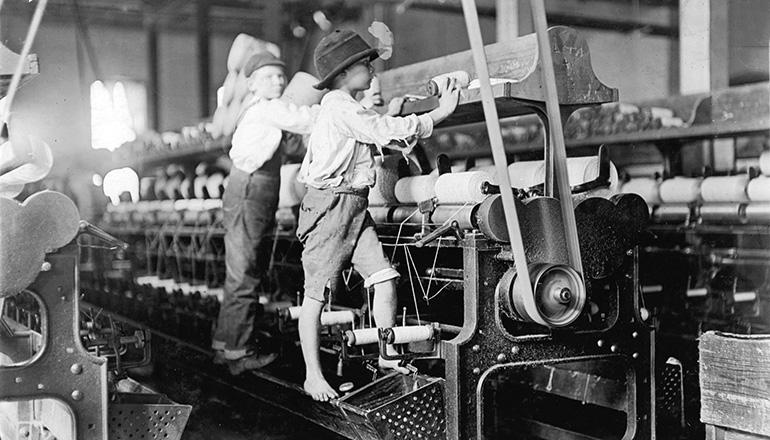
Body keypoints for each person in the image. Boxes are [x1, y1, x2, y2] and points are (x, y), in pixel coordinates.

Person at [296, 29, 459, 401]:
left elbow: (380, 129)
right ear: (341, 74)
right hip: (330, 208)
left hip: (354, 206)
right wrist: (439, 114)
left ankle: (387, 354)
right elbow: (384, 130)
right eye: (365, 65)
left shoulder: (348, 106)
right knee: (316, 297)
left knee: (384, 278)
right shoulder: (340, 106)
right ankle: (312, 375)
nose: (372, 70)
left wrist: (403, 113)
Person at [212, 52, 318, 375]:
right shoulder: (270, 108)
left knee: (242, 271)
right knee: (245, 273)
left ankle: (225, 345)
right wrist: (341, 106)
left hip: (250, 190)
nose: (278, 81)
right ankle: (239, 354)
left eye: (280, 76)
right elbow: (306, 119)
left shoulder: (261, 110)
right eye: (269, 77)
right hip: (251, 191)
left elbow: (291, 146)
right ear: (252, 83)